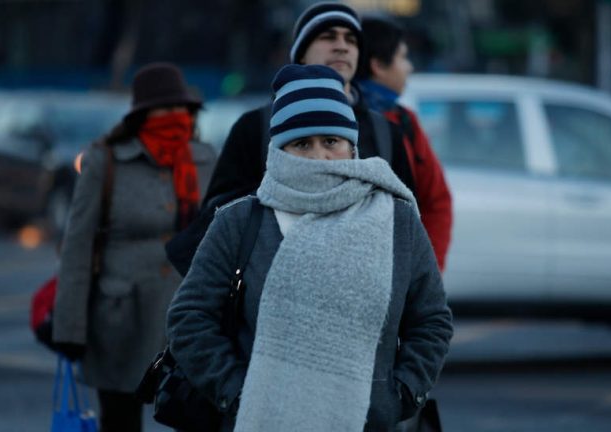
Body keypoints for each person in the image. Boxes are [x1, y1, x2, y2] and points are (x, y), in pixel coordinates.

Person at [167, 64, 453, 432]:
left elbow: (432, 320)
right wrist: (238, 395)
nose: (319, 156)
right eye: (302, 143)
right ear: (279, 150)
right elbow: (189, 318)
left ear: (352, 146)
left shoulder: (395, 219)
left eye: (331, 141)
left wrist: (396, 396)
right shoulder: (241, 221)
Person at [51, 63, 215, 432]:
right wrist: (70, 329)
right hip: (120, 316)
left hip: (187, 312)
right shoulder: (105, 160)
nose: (175, 116)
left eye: (180, 108)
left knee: (195, 414)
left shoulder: (204, 159)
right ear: (143, 114)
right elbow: (77, 245)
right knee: (121, 421)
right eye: (165, 108)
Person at [202, 3, 417, 218]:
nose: (342, 46)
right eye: (328, 37)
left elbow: (408, 220)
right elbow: (218, 212)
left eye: (351, 40)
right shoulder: (254, 126)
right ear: (301, 53)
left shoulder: (387, 132)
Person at [356, 16, 452, 270]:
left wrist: (425, 273)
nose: (408, 67)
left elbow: (436, 200)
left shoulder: (404, 120)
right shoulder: (336, 120)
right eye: (402, 57)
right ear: (378, 65)